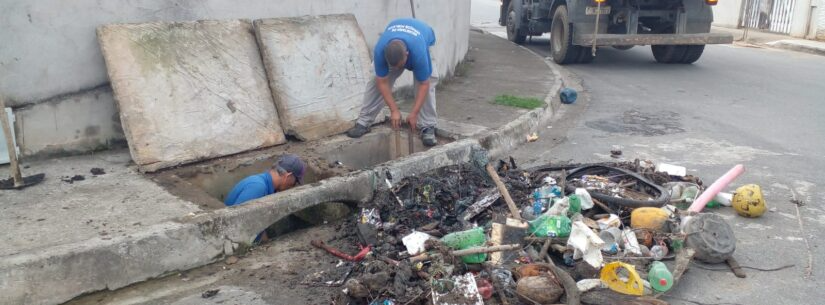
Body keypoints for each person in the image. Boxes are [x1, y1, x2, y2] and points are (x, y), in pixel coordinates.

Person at [346, 18, 439, 147]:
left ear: (407, 54)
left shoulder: (418, 52)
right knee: (375, 79)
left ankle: (428, 127)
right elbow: (382, 82)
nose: (397, 70)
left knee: (428, 80)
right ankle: (364, 121)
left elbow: (424, 84)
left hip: (422, 38)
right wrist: (394, 110)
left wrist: (414, 113)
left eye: (400, 65)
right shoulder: (380, 50)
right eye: (393, 66)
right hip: (397, 39)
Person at [224, 154, 305, 207]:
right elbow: (238, 222)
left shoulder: (265, 185)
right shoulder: (258, 187)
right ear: (288, 176)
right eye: (295, 182)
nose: (292, 186)